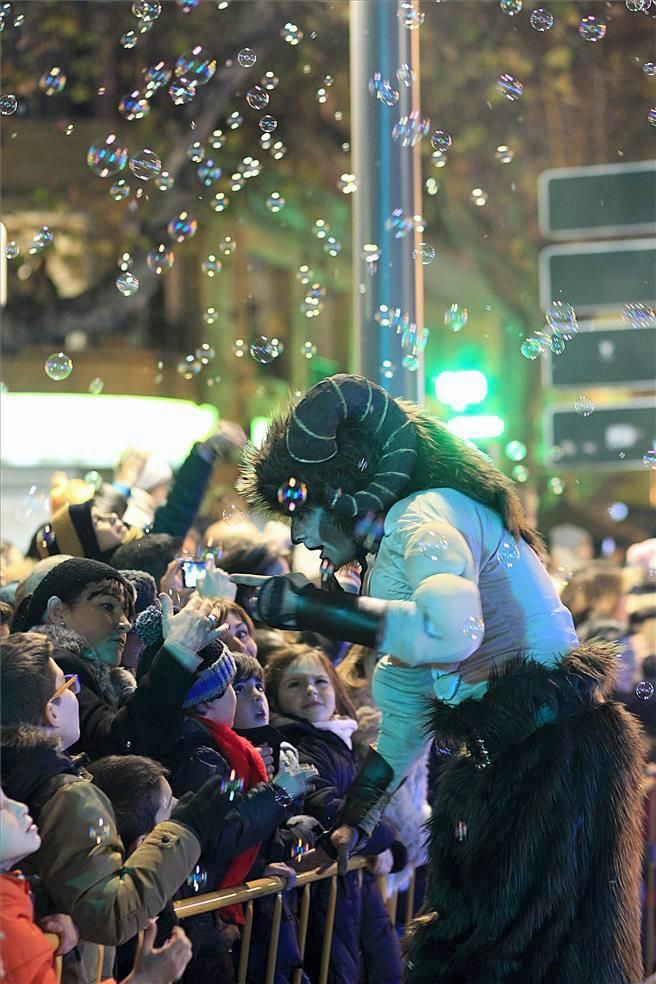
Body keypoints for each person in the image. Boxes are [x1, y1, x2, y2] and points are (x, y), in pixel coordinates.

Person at [240, 372, 646, 983]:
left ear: (346, 486)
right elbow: (407, 711)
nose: (297, 533)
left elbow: (452, 632)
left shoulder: (422, 517)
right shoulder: (397, 550)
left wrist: (305, 607)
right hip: (526, 762)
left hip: (545, 766)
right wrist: (357, 815)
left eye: (300, 506)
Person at [0, 634, 242, 983]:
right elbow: (110, 913)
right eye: (67, 685)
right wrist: (186, 829)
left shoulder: (17, 776)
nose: (76, 693)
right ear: (51, 711)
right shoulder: (68, 795)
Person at [265, 643, 405, 984]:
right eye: (294, 684)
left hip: (352, 888)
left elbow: (365, 810)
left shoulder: (341, 739)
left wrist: (385, 844)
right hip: (324, 900)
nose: (311, 690)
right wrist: (382, 835)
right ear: (276, 697)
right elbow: (329, 810)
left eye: (320, 680)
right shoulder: (298, 745)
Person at [10, 557, 233, 759]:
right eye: (108, 606)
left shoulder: (112, 680)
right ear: (58, 611)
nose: (126, 623)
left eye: (127, 611)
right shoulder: (51, 664)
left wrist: (163, 649)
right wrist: (177, 652)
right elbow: (120, 744)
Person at [0, 782, 193, 984]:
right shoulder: (7, 925)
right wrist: (147, 979)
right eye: (0, 807)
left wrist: (41, 910)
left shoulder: (20, 901)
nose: (19, 807)